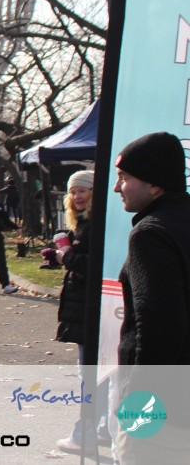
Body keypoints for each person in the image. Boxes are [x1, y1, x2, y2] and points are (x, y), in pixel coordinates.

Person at [113, 131, 190, 463]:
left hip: (166, 413)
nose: (117, 187)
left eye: (124, 177)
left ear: (155, 185)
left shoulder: (151, 234)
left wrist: (138, 405)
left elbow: (160, 327)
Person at [51, 170, 109, 454]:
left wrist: (69, 257)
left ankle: (84, 435)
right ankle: (104, 428)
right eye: (73, 192)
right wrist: (60, 255)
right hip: (85, 306)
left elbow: (94, 266)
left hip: (91, 307)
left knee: (91, 373)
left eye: (82, 190)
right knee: (101, 372)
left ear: (94, 192)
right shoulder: (84, 223)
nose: (77, 196)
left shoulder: (96, 224)